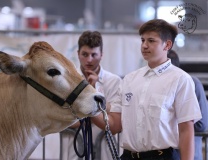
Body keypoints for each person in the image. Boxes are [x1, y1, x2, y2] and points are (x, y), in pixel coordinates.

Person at [92, 19, 202, 160]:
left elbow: (186, 129)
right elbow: (114, 126)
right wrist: (91, 110)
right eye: (142, 40)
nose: (144, 45)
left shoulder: (180, 79)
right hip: (128, 156)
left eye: (151, 41)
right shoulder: (129, 79)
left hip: (163, 156)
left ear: (167, 45)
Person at [60, 31, 122, 160]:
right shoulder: (67, 80)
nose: (89, 60)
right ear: (78, 54)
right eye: (85, 54)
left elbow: (115, 123)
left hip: (106, 152)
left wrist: (91, 96)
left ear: (101, 55)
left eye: (94, 55)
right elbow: (62, 118)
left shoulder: (114, 81)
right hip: (74, 151)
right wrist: (104, 108)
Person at [167, 49, 208, 160]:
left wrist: (172, 122)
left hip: (189, 152)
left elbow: (202, 124)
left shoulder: (193, 83)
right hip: (166, 153)